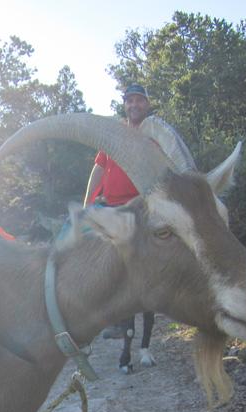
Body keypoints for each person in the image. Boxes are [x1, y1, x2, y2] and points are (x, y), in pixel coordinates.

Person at [84, 83, 157, 368]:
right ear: (124, 105)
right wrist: (87, 202)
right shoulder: (113, 135)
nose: (134, 105)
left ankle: (144, 347)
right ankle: (113, 325)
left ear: (146, 105)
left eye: (139, 100)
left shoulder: (153, 137)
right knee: (108, 269)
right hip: (111, 209)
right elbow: (99, 168)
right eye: (130, 101)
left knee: (145, 279)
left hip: (139, 210)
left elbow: (159, 172)